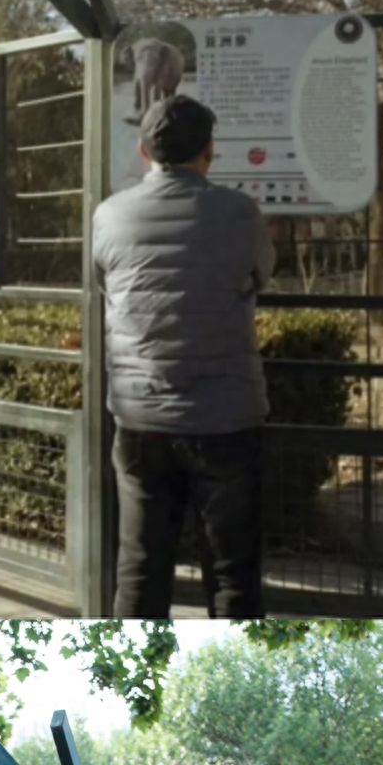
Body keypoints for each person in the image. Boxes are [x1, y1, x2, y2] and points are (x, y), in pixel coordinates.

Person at [93, 94, 276, 618]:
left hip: (140, 418)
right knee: (233, 574)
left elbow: (105, 284)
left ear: (144, 151)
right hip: (227, 419)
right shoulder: (241, 213)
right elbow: (260, 272)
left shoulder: (108, 215)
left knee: (141, 570)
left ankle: (133, 684)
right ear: (209, 153)